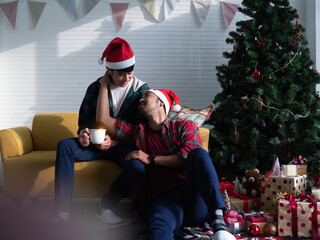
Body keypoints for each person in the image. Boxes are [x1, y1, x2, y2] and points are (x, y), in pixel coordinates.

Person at [96, 81, 236, 239]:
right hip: (163, 200)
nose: (140, 100)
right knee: (158, 230)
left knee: (199, 154)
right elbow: (103, 119)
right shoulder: (136, 132)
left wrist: (151, 159)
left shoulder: (184, 126)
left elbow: (187, 157)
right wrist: (105, 84)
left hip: (192, 197)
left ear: (161, 103)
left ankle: (219, 225)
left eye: (147, 96)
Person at [54, 37, 149, 223]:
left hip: (121, 146)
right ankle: (62, 210)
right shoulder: (95, 88)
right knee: (64, 146)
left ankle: (106, 206)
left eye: (130, 73)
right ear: (109, 70)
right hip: (94, 146)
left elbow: (140, 129)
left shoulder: (141, 90)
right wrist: (83, 134)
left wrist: (116, 141)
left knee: (138, 166)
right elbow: (83, 120)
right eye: (121, 74)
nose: (126, 79)